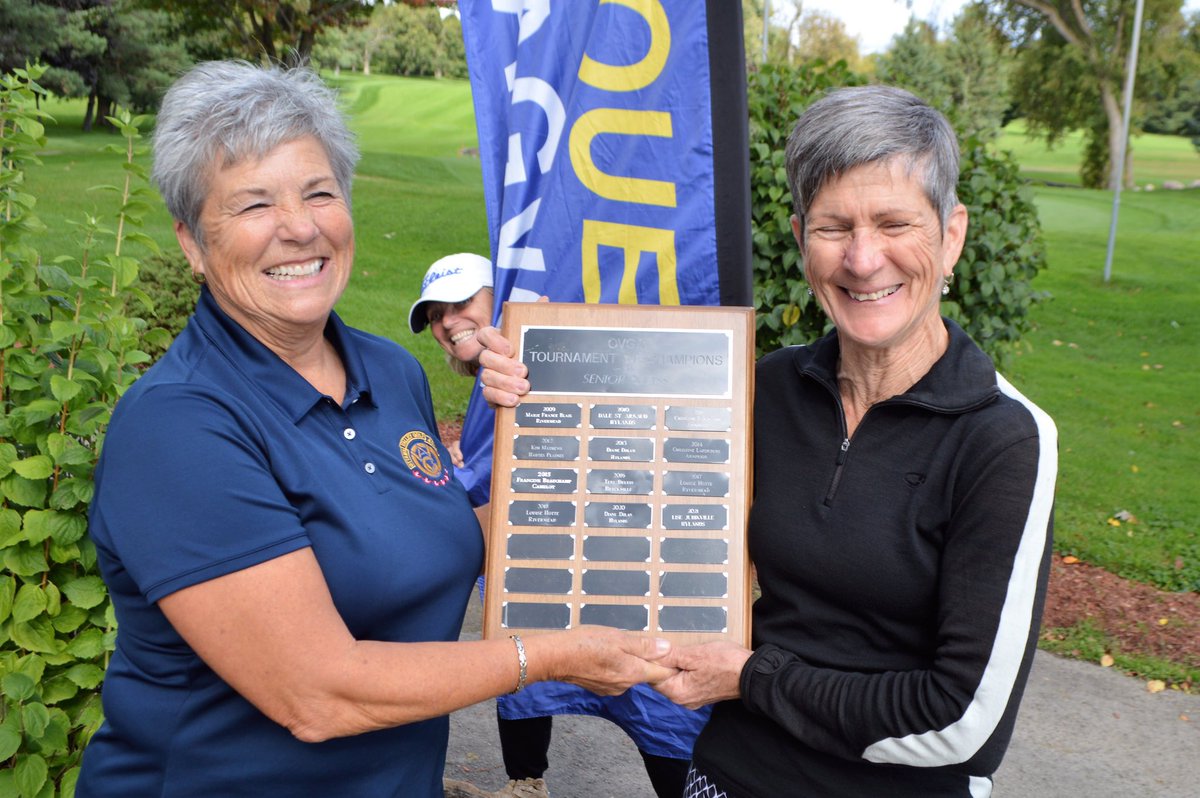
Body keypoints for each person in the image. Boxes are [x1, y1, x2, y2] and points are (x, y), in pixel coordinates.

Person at [77, 61, 676, 798]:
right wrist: (545, 656)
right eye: (254, 205)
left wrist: (596, 447)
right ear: (192, 243)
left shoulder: (391, 372)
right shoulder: (177, 427)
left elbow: (440, 535)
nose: (299, 228)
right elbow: (321, 693)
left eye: (319, 193)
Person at [477, 85, 1057, 798]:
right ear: (799, 239)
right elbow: (621, 479)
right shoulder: (766, 389)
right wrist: (526, 386)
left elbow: (966, 722)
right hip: (729, 774)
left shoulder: (1004, 438)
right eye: (833, 226)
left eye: (894, 222)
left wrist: (751, 678)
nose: (863, 258)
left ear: (952, 235)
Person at [410, 257, 711, 798]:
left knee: (650, 693)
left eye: (460, 305)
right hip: (538, 561)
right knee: (524, 663)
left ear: (501, 298)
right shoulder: (486, 385)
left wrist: (541, 333)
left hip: (613, 557)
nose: (447, 321)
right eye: (435, 315)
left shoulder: (532, 352)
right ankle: (525, 784)